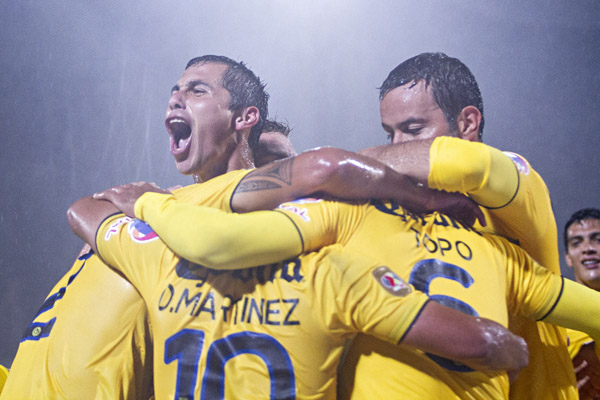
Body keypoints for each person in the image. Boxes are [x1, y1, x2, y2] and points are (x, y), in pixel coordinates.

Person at [0, 55, 483, 399]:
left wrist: (423, 196)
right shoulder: (166, 214)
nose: (176, 98)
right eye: (175, 90)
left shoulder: (185, 213)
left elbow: (328, 167)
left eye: (197, 90)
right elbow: (81, 211)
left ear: (243, 119)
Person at [81, 163, 600, 399]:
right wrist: (521, 354)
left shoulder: (161, 260)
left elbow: (84, 210)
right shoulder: (335, 273)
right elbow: (485, 343)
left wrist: (149, 203)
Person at [353, 52, 576, 400]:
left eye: (413, 130)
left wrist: (333, 165)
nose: (397, 146)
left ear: (468, 123)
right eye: (389, 133)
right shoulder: (399, 210)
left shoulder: (519, 186)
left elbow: (468, 165)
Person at [564, 208, 600, 398]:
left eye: (597, 240)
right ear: (568, 258)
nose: (588, 248)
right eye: (577, 243)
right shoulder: (553, 322)